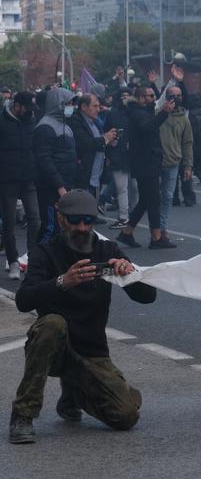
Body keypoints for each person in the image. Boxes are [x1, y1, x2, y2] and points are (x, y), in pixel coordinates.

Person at [9, 190, 156, 444]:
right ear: (61, 218)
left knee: (126, 415)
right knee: (52, 323)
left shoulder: (108, 250)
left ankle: (74, 395)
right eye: (75, 220)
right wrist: (62, 281)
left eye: (87, 221)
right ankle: (23, 415)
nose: (81, 227)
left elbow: (147, 297)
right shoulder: (45, 252)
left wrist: (129, 275)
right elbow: (23, 300)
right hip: (55, 347)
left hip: (92, 351)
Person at [116, 85, 174, 250]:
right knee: (153, 200)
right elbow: (148, 127)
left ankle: (127, 232)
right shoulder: (137, 113)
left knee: (146, 200)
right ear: (141, 98)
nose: (152, 98)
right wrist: (164, 113)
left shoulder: (141, 111)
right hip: (145, 162)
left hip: (147, 161)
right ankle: (156, 237)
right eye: (149, 96)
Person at [1, 92, 40, 280]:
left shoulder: (32, 120)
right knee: (9, 223)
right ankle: (13, 260)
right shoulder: (2, 122)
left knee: (35, 219)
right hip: (7, 179)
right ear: (16, 105)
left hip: (29, 178)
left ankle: (32, 259)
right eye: (26, 108)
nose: (29, 112)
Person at [33, 88, 78, 247]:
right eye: (68, 103)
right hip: (51, 188)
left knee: (61, 228)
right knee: (50, 227)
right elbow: (45, 160)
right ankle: (38, 262)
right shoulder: (45, 127)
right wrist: (59, 186)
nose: (72, 106)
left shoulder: (65, 125)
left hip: (64, 185)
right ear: (58, 103)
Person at [154, 86, 192, 248]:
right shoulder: (158, 113)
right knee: (153, 198)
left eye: (179, 96)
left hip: (173, 163)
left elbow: (187, 143)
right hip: (155, 162)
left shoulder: (184, 118)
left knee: (167, 197)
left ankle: (162, 230)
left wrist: (188, 165)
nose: (176, 99)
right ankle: (154, 230)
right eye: (172, 96)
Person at [68, 94, 117, 195]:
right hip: (83, 177)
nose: (98, 109)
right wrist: (104, 139)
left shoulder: (95, 122)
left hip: (96, 177)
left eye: (99, 106)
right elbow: (85, 143)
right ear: (84, 107)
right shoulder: (76, 121)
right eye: (94, 106)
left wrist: (108, 141)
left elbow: (98, 142)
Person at [102, 88, 133, 229]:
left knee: (134, 186)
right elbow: (106, 132)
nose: (125, 99)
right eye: (123, 96)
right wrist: (111, 142)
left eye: (128, 96)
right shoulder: (113, 114)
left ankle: (128, 214)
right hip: (118, 154)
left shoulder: (135, 113)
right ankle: (124, 216)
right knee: (122, 187)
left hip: (132, 154)